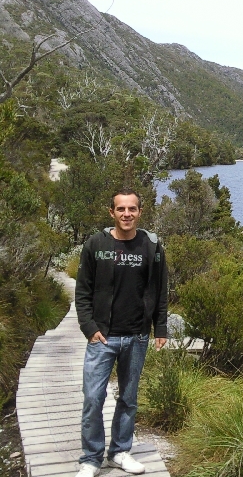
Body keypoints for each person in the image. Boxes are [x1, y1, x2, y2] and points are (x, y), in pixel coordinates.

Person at [74, 188, 168, 477]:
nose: (127, 214)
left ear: (140, 212)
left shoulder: (152, 246)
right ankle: (90, 458)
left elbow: (160, 290)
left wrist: (160, 328)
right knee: (93, 397)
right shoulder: (96, 245)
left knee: (128, 398)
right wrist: (89, 328)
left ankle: (119, 452)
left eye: (132, 209)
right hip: (103, 337)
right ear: (111, 212)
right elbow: (82, 291)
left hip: (137, 337)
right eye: (121, 209)